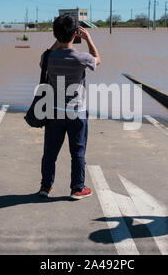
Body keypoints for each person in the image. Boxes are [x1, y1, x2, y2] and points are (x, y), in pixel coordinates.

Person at [38, 15, 101, 200]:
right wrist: (89, 38)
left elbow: (48, 54)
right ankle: (77, 188)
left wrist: (59, 40)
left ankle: (45, 186)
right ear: (76, 34)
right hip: (77, 113)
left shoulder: (48, 57)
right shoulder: (82, 58)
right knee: (78, 153)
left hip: (54, 112)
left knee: (50, 153)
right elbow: (98, 59)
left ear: (55, 35)